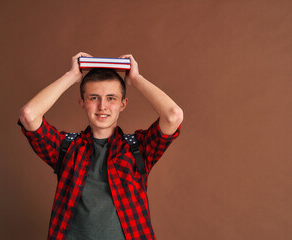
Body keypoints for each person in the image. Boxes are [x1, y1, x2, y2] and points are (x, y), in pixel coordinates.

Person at [18, 52, 183, 240]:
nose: (102, 106)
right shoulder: (66, 148)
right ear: (82, 103)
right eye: (94, 98)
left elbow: (173, 115)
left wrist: (136, 78)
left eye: (111, 98)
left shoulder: (139, 149)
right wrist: (71, 76)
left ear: (123, 104)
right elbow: (29, 115)